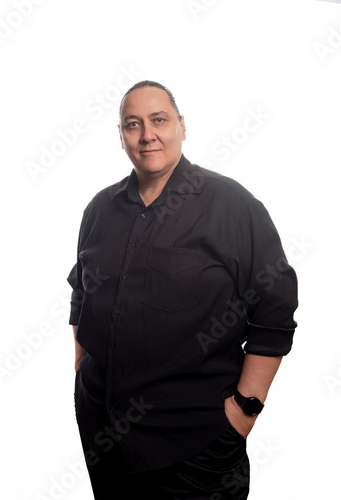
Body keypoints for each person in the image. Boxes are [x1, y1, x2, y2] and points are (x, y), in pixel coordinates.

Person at [66, 80, 298, 499]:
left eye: (159, 120)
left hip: (196, 448)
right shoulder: (99, 209)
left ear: (182, 126)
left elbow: (275, 312)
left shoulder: (233, 206)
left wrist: (243, 413)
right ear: (121, 137)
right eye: (132, 124)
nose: (147, 134)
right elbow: (81, 293)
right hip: (104, 438)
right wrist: (82, 369)